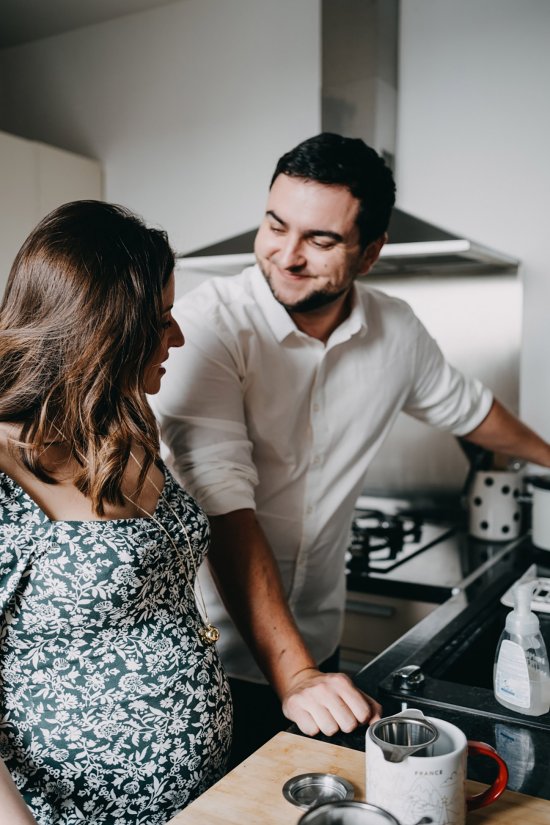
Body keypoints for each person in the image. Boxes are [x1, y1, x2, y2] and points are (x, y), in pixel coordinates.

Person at [153, 132, 550, 764]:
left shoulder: (396, 329)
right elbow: (223, 504)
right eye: (275, 225)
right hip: (214, 657)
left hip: (319, 643)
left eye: (321, 239)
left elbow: (469, 409)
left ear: (369, 254)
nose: (287, 255)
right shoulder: (210, 327)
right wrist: (296, 677)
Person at [0, 201, 232, 824]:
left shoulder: (124, 426)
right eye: (160, 321)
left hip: (199, 798)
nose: (177, 337)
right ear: (101, 332)